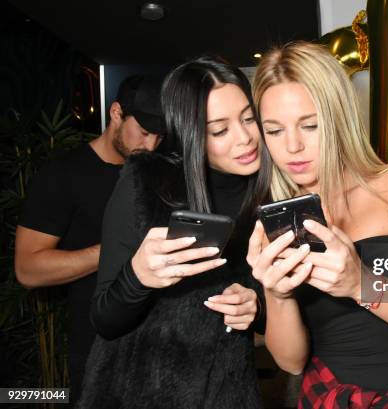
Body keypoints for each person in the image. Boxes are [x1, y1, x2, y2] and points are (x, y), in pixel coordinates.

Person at [247, 41, 388, 408]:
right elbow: (291, 361)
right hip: (327, 397)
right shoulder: (276, 215)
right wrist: (277, 293)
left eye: (310, 125)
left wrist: (359, 283)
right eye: (274, 130)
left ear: (338, 117)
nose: (293, 146)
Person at [76, 56, 269, 409]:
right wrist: (138, 276)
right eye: (220, 130)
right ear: (190, 132)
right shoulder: (145, 183)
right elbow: (105, 320)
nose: (245, 138)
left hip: (227, 391)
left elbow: (297, 316)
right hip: (135, 391)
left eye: (248, 118)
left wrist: (258, 309)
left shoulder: (275, 192)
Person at [14, 74, 165, 401]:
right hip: (97, 351)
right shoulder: (63, 176)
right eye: (143, 132)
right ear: (115, 114)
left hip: (157, 351)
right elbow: (27, 269)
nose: (151, 146)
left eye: (159, 137)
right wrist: (120, 250)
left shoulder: (157, 173)